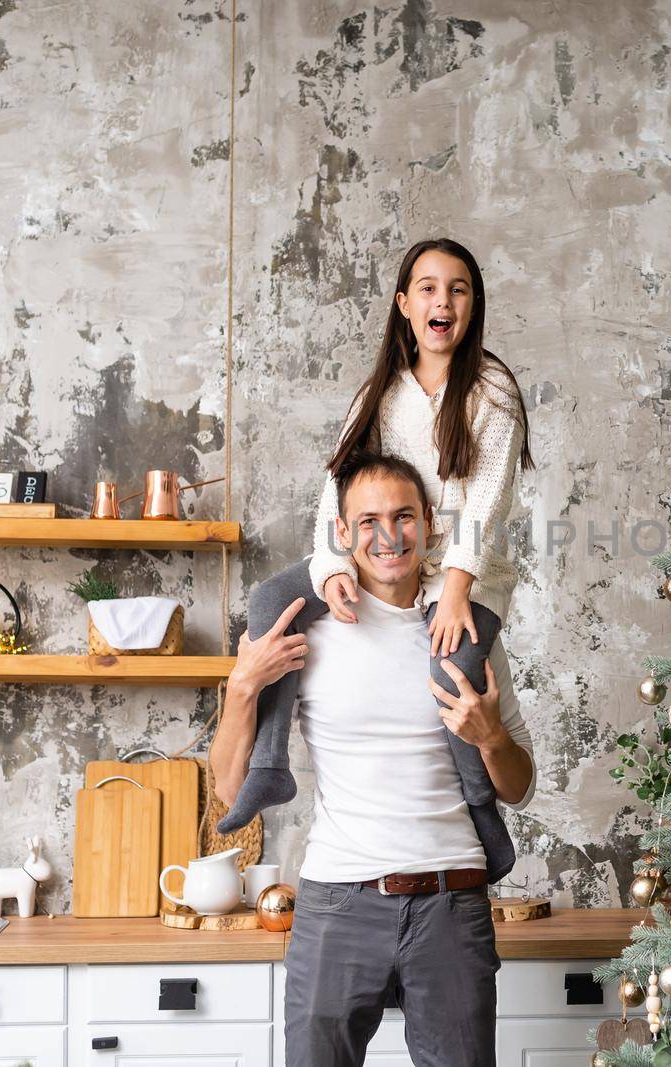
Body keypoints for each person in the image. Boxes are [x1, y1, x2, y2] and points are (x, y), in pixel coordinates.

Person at [211, 451, 535, 1066]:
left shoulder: (470, 639)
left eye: (404, 516)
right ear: (340, 534)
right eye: (367, 521)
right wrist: (242, 685)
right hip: (337, 902)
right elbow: (229, 788)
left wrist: (490, 738)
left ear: (430, 524)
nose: (388, 536)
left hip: (451, 899)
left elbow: (520, 788)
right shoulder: (298, 632)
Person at [217, 236, 533, 836]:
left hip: (467, 572)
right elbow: (335, 489)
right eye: (429, 288)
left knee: (449, 676)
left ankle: (482, 814)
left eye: (458, 289)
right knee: (268, 605)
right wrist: (332, 569)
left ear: (473, 305)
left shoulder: (493, 392)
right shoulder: (380, 394)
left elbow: (488, 502)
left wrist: (459, 587)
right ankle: (267, 764)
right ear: (405, 306)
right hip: (385, 557)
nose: (444, 300)